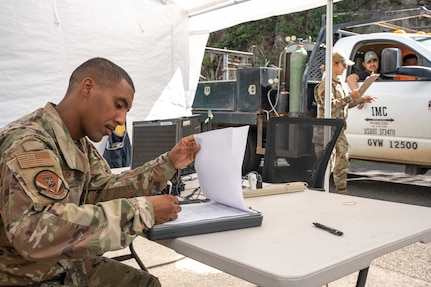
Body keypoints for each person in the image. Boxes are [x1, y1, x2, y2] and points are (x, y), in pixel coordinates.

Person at [0, 57, 201, 286]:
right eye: (118, 104)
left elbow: (104, 189)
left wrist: (169, 163)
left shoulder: (79, 144)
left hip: (63, 267)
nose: (121, 120)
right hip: (25, 278)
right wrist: (142, 211)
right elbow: (34, 230)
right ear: (87, 87)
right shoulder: (28, 143)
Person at [314, 51, 376, 195]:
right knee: (326, 163)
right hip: (326, 129)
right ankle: (320, 191)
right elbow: (330, 105)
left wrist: (361, 99)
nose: (344, 68)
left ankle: (341, 190)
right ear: (334, 64)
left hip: (337, 128)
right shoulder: (326, 85)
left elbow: (344, 105)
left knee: (341, 159)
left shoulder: (338, 84)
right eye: (342, 65)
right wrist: (350, 97)